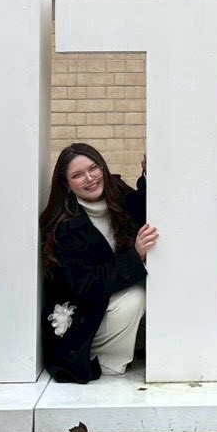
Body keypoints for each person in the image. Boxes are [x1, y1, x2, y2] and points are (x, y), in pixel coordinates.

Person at [40, 144, 158, 383]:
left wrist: (150, 175)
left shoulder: (116, 193)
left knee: (153, 282)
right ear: (67, 184)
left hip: (108, 302)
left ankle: (137, 343)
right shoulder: (62, 227)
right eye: (77, 175)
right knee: (134, 296)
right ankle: (107, 360)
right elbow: (86, 286)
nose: (90, 178)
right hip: (85, 320)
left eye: (94, 168)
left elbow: (144, 208)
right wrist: (135, 256)